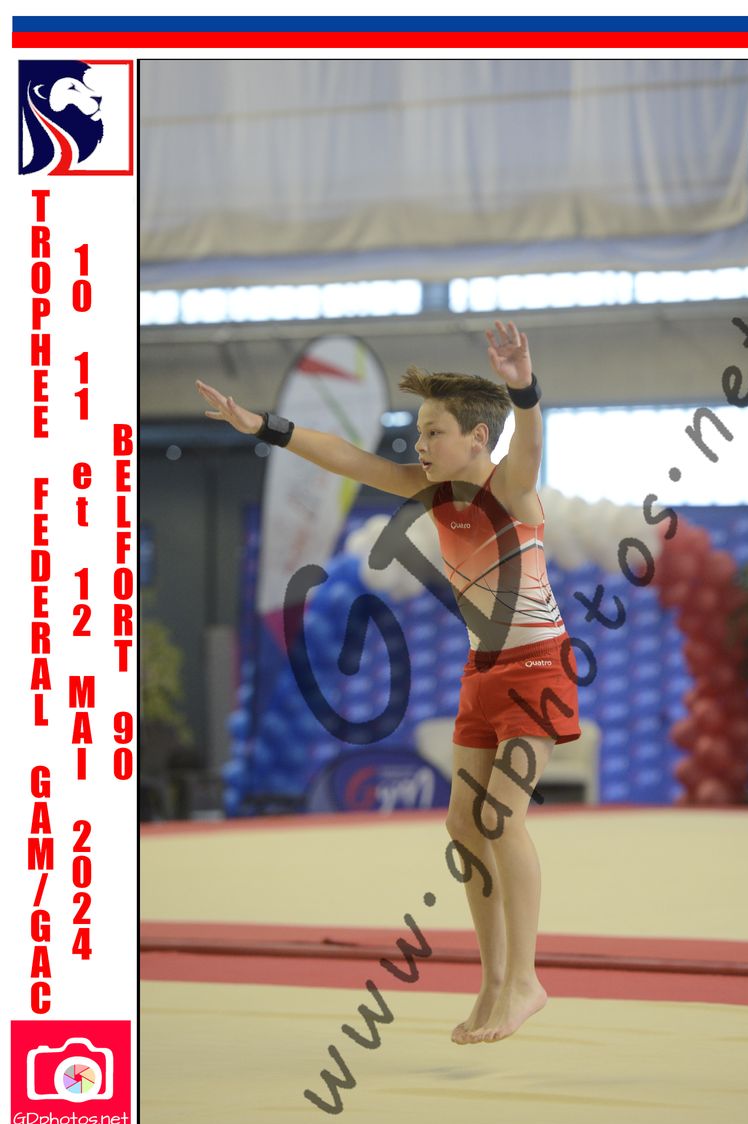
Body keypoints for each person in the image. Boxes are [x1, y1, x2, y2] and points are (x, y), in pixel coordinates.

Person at [196, 320, 580, 1043]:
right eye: (419, 431)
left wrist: (524, 386)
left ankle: (527, 979)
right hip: (483, 670)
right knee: (463, 826)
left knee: (501, 819)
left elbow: (530, 438)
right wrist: (266, 427)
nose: (419, 443)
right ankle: (494, 979)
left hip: (538, 668)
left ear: (477, 438)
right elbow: (349, 457)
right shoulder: (431, 493)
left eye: (433, 432)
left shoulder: (511, 487)